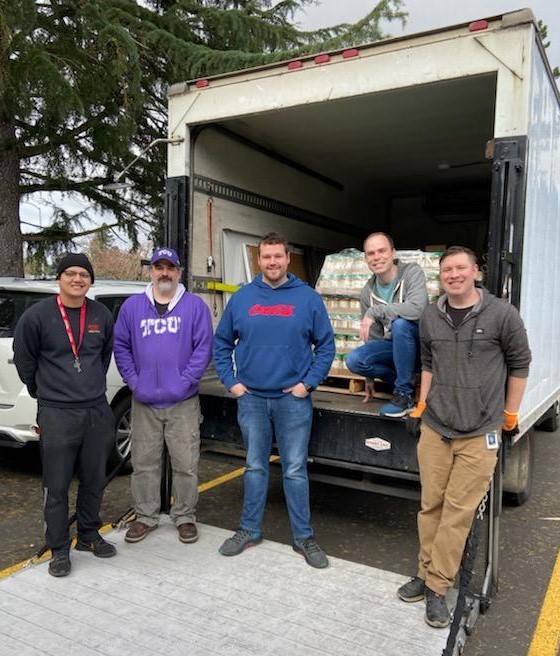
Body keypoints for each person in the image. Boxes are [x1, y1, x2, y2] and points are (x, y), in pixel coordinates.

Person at [397, 246, 531, 628]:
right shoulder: (430, 315)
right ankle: (424, 573)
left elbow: (520, 363)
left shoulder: (502, 314)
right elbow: (428, 363)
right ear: (441, 277)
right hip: (436, 427)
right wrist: (422, 405)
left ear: (476, 272)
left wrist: (509, 414)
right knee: (430, 506)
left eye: (460, 268)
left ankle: (437, 587)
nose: (453, 275)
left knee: (457, 513)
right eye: (447, 270)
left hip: (479, 432)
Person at [213, 232, 335, 568]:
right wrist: (232, 384)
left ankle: (303, 537)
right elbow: (221, 343)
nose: (272, 262)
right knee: (255, 466)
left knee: (294, 469)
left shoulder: (307, 298)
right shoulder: (242, 298)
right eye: (266, 257)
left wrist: (308, 384)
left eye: (278, 256)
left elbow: (326, 346)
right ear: (259, 259)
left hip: (292, 400)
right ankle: (249, 530)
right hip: (251, 399)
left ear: (287, 258)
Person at [13, 253, 117, 577]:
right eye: (70, 273)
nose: (77, 279)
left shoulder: (101, 314)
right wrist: (44, 391)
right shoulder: (37, 316)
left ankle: (88, 534)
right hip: (57, 412)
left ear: (90, 281)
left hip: (96, 409)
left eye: (83, 274)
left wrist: (88, 386)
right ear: (59, 278)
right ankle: (59, 548)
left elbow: (104, 356)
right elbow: (24, 360)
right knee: (56, 484)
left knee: (94, 479)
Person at [114, 247, 212, 545]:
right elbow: (121, 346)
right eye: (159, 267)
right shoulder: (132, 307)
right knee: (144, 463)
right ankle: (146, 516)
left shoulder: (195, 307)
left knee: (185, 464)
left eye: (170, 267)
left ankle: (184, 516)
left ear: (179, 273)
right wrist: (134, 381)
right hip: (144, 401)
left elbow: (203, 348)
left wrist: (185, 382)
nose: (164, 273)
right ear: (151, 271)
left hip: (183, 402)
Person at [345, 232, 428, 417]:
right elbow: (373, 336)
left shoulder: (412, 272)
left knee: (401, 324)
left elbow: (417, 309)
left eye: (382, 251)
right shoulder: (368, 291)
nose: (376, 257)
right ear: (366, 259)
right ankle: (401, 379)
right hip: (396, 348)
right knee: (355, 360)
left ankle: (404, 395)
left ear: (393, 253)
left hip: (420, 346)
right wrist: (369, 378)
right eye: (371, 253)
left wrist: (376, 311)